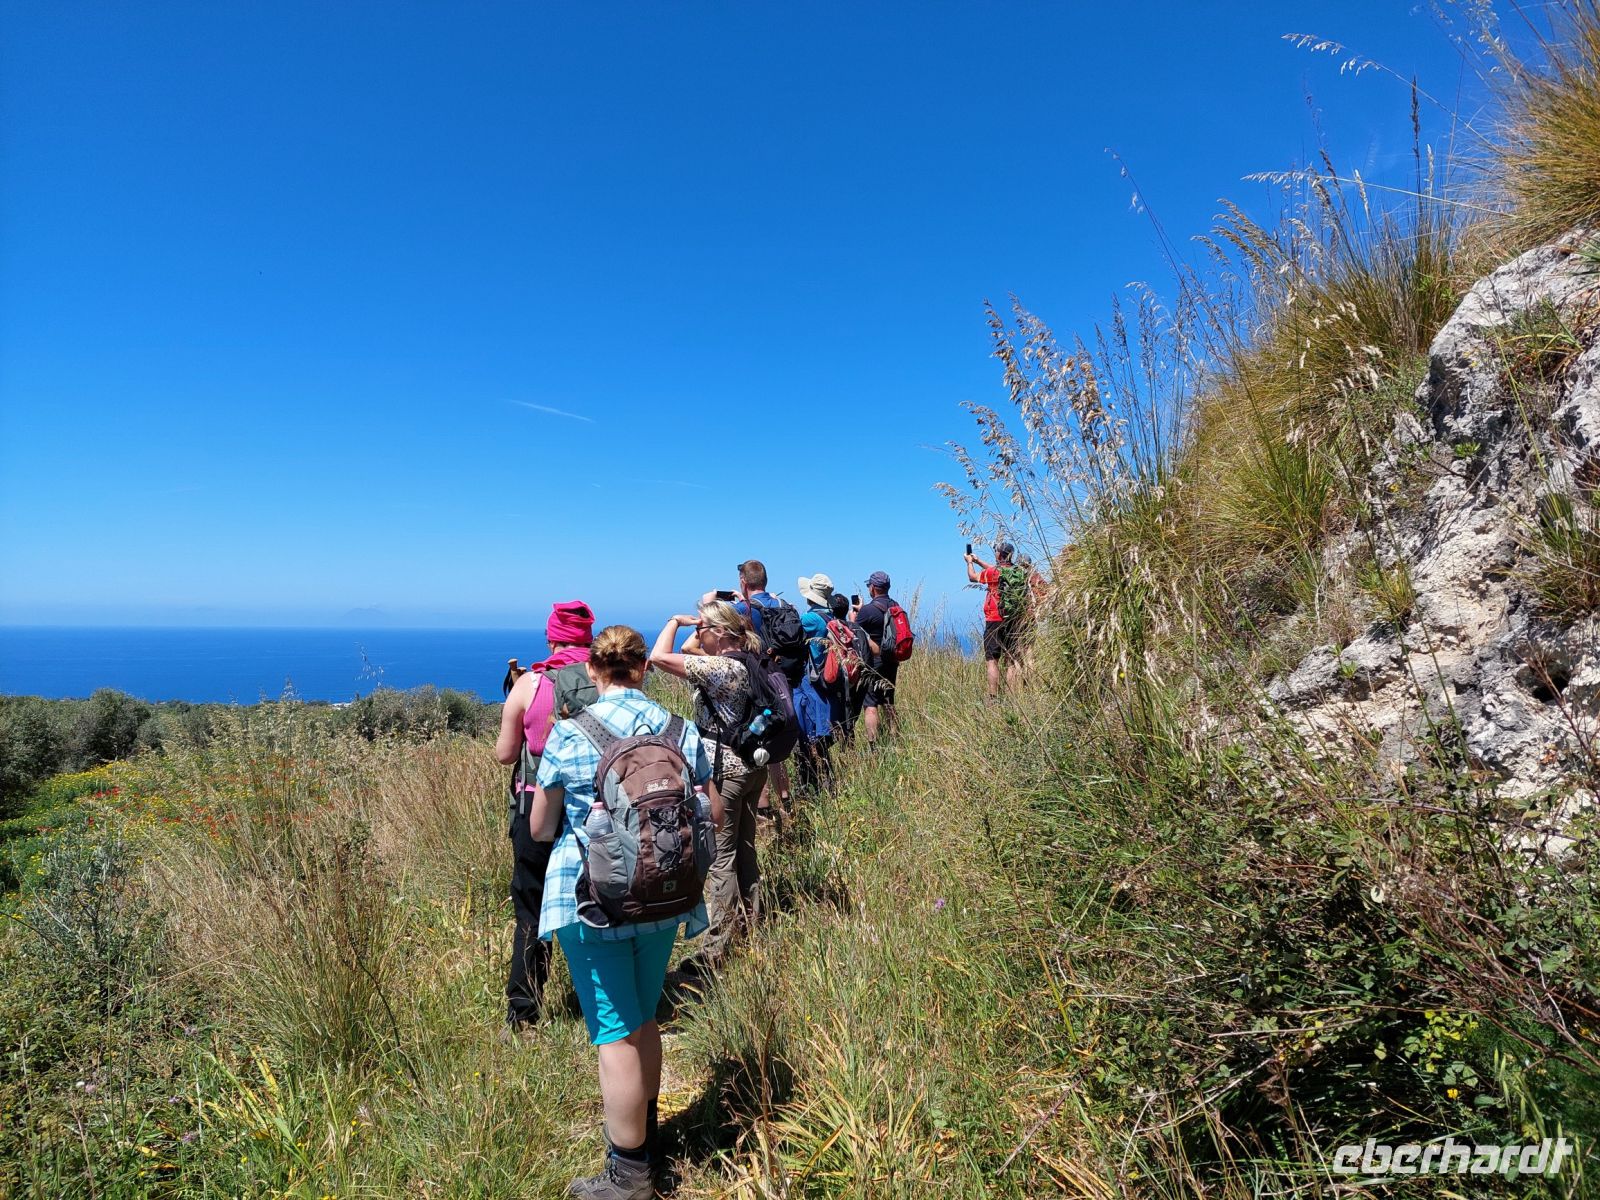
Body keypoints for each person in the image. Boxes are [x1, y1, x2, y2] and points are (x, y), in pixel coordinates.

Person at [530, 625, 720, 1199]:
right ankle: (649, 1140)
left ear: (592, 670)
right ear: (643, 669)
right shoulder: (680, 732)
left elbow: (540, 827)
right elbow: (709, 811)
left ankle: (628, 1174)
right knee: (643, 1019)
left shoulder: (568, 734)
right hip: (666, 897)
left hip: (594, 902)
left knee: (613, 1033)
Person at [493, 599, 596, 1036]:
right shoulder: (605, 680)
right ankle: (602, 998)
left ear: (552, 636)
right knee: (596, 903)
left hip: (535, 808)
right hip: (594, 812)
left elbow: (504, 755)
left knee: (531, 911)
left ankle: (524, 1013)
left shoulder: (530, 684)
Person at [649, 600, 767, 968]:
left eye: (702, 630)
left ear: (718, 633)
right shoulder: (748, 659)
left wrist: (674, 619)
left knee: (721, 858)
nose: (695, 634)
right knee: (745, 849)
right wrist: (699, 629)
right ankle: (752, 927)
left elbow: (658, 657)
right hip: (751, 766)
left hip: (726, 772)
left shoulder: (717, 667)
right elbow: (686, 651)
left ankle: (717, 949)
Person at [793, 573, 837, 793]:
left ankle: (812, 785)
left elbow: (792, 635)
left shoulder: (810, 619)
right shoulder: (831, 616)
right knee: (822, 736)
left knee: (810, 735)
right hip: (826, 682)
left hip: (810, 681)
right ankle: (827, 783)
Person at [967, 542, 1024, 698]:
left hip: (994, 619)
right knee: (1012, 660)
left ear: (999, 554)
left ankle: (993, 698)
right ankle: (1012, 698)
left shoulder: (993, 572)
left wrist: (970, 563)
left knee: (992, 660)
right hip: (1014, 619)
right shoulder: (1019, 572)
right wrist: (979, 561)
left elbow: (973, 577)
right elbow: (996, 568)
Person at [852, 570, 900, 743]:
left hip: (873, 662)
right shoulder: (896, 606)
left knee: (870, 704)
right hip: (892, 660)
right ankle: (895, 739)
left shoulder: (867, 611)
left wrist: (854, 616)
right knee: (888, 700)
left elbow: (853, 631)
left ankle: (873, 746)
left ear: (872, 588)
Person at [827, 592, 871, 741]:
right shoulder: (857, 629)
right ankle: (849, 744)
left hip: (837, 681)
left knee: (840, 719)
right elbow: (866, 657)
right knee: (850, 719)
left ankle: (845, 749)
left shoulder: (829, 629)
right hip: (857, 681)